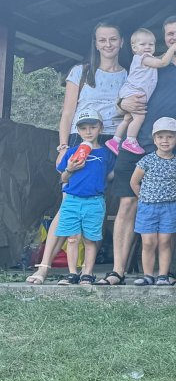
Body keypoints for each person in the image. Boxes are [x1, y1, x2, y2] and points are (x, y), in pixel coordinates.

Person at [102, 16, 176, 286]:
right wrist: (122, 103)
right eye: (170, 34)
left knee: (169, 205)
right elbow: (122, 101)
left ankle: (165, 272)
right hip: (138, 142)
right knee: (127, 202)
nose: (175, 38)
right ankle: (118, 271)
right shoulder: (148, 63)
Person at [28, 22, 126, 286]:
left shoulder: (128, 75)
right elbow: (68, 112)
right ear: (95, 43)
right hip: (79, 137)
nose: (108, 44)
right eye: (102, 40)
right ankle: (44, 267)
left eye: (113, 39)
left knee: (98, 203)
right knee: (68, 203)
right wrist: (63, 146)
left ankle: (88, 271)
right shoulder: (80, 72)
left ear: (121, 42)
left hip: (111, 140)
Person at [52, 107, 115, 286]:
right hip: (72, 200)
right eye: (83, 128)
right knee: (72, 238)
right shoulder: (71, 152)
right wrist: (69, 169)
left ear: (100, 128)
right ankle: (72, 273)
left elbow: (110, 176)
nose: (88, 132)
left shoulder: (106, 153)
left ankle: (87, 273)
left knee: (90, 239)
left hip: (95, 201)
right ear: (77, 131)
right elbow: (63, 178)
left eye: (93, 127)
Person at [130, 117, 176, 286]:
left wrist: (174, 194)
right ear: (154, 139)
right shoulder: (147, 160)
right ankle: (148, 275)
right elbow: (134, 182)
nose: (165, 140)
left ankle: (163, 275)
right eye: (160, 137)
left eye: (170, 137)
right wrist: (143, 196)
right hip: (147, 207)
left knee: (165, 241)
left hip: (169, 208)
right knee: (148, 242)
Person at [107, 28, 172, 155]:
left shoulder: (142, 58)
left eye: (151, 44)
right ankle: (130, 140)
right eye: (143, 44)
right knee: (139, 116)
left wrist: (165, 54)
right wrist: (172, 49)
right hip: (135, 92)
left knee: (127, 118)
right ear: (134, 47)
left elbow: (159, 58)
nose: (147, 47)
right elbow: (163, 62)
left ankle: (115, 140)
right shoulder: (144, 58)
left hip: (129, 91)